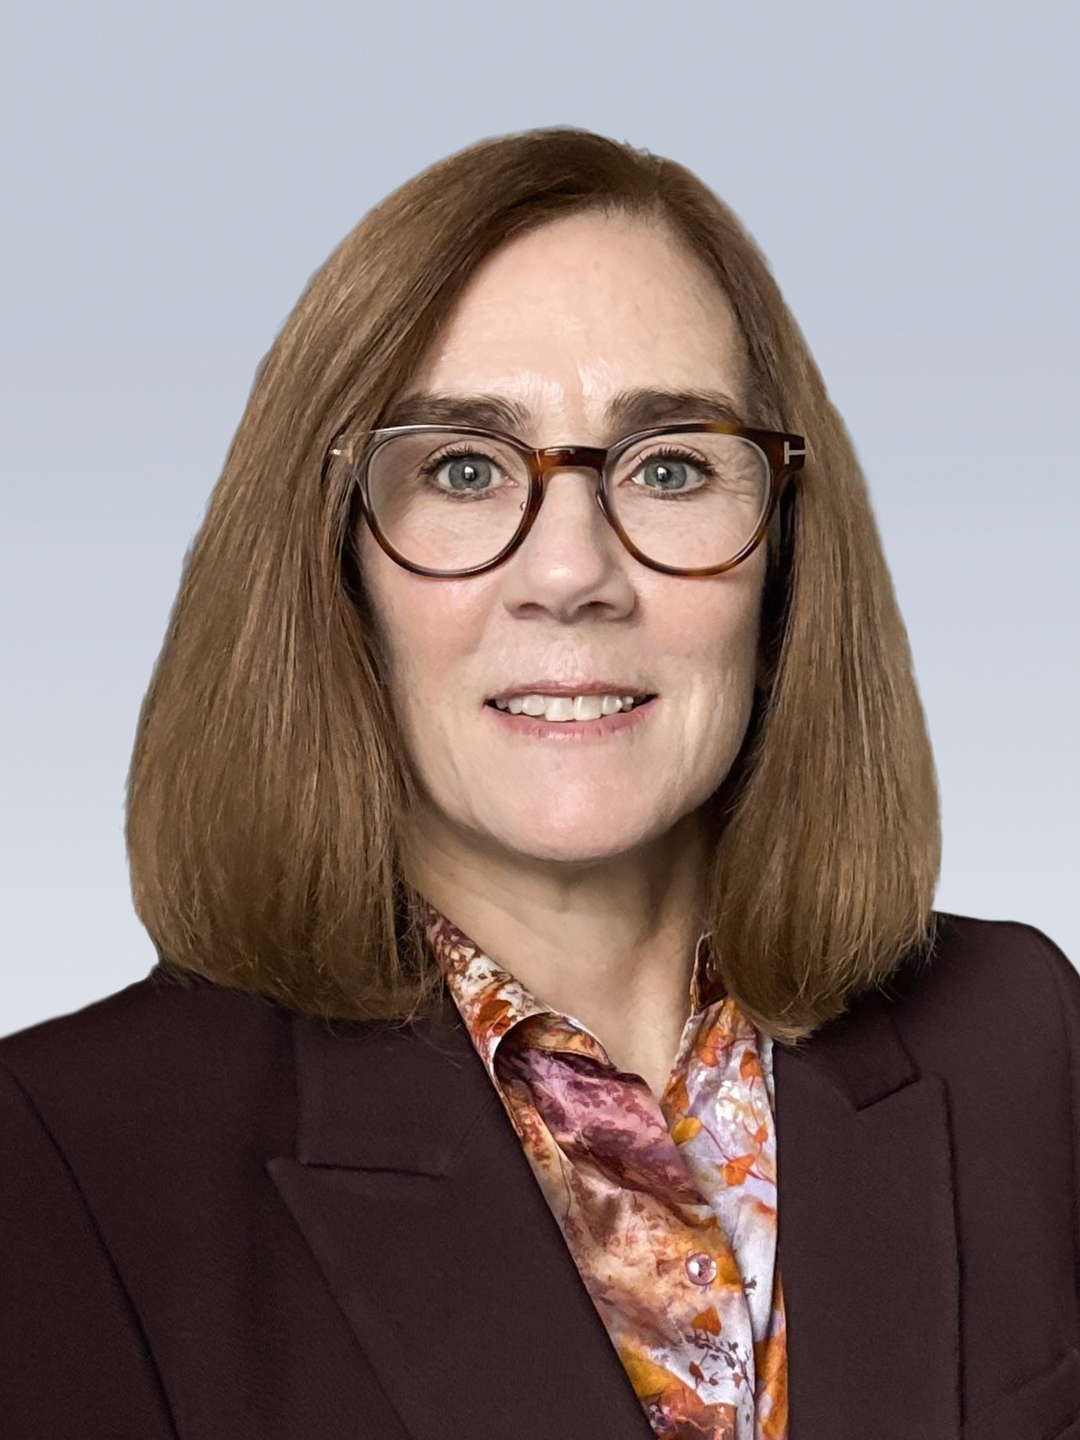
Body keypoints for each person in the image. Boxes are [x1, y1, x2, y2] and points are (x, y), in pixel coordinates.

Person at [1, 126, 1077, 1440]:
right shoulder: (60, 1156)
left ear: (787, 560)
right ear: (335, 570)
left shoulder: (1022, 1039)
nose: (571, 574)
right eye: (463, 470)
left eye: (670, 467)